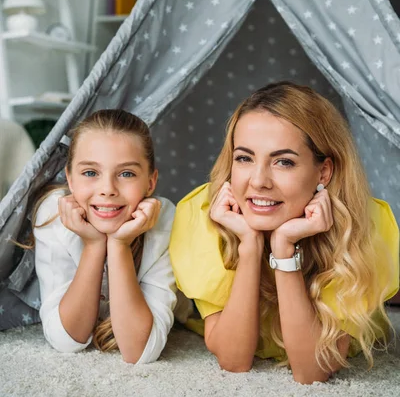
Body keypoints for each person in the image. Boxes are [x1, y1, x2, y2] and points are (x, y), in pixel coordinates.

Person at [169, 82, 399, 384]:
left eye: (283, 162)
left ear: (323, 172)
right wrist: (249, 248)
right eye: (244, 158)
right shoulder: (204, 214)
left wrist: (283, 249)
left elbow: (312, 370)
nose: (259, 180)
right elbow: (234, 360)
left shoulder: (363, 227)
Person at [33, 109, 177, 363]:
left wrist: (119, 245)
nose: (108, 189)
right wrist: (94, 245)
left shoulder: (163, 219)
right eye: (90, 173)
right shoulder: (54, 215)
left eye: (126, 174)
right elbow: (66, 340)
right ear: (70, 179)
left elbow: (140, 351)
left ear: (151, 182)